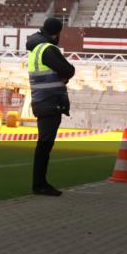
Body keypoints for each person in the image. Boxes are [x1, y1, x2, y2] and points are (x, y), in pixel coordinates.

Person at [25, 17, 75, 196]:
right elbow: (69, 70)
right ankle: (39, 184)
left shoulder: (36, 49)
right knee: (44, 145)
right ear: (56, 32)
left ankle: (40, 183)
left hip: (41, 100)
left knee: (44, 145)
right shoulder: (48, 49)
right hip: (50, 102)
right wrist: (66, 74)